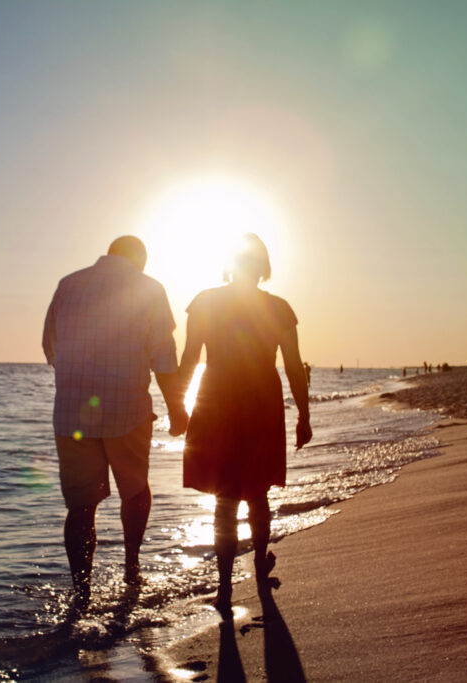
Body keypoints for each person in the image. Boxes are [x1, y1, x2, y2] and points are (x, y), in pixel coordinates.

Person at [43, 235, 189, 607]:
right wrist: (177, 409)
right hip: (127, 410)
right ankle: (131, 567)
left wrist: (78, 375)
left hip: (73, 413)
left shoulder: (68, 284)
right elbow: (164, 358)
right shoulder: (149, 288)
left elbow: (50, 346)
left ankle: (81, 591)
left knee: (81, 506)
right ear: (139, 259)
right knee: (135, 490)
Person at [178, 233, 312, 616]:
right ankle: (256, 573)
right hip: (259, 401)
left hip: (217, 398)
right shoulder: (279, 308)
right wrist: (304, 414)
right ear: (262, 266)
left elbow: (189, 358)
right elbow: (293, 366)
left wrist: (178, 406)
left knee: (225, 496)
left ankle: (223, 589)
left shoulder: (205, 301)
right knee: (257, 492)